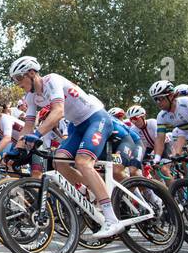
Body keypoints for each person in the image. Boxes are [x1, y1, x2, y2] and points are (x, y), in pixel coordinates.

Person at [9, 56, 124, 237]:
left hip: (96, 118)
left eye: (18, 78)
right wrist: (17, 149)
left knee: (83, 162)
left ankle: (112, 219)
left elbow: (58, 112)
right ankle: (90, 190)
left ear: (31, 73)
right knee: (59, 161)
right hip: (77, 125)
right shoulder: (31, 97)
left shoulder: (51, 80)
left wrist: (38, 135)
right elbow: (28, 126)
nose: (17, 84)